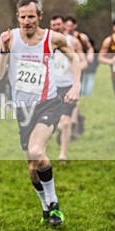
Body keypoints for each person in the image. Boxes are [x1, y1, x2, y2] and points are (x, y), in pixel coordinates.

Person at [0, 0, 80, 227]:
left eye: (31, 16)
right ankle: (45, 206)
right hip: (22, 109)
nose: (27, 21)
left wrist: (77, 85)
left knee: (36, 150)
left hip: (48, 103)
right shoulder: (10, 39)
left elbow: (75, 58)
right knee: (32, 169)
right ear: (18, 17)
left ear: (40, 16)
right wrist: (2, 51)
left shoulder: (53, 38)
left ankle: (54, 204)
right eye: (23, 17)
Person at [49, 14, 87, 162]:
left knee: (65, 122)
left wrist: (75, 70)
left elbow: (83, 61)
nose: (56, 27)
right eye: (53, 25)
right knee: (56, 123)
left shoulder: (72, 42)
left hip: (68, 86)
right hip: (51, 87)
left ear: (64, 25)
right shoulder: (47, 42)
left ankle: (63, 155)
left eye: (58, 24)